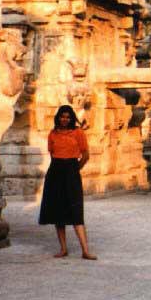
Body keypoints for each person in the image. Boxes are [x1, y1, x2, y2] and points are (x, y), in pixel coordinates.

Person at [38, 104, 97, 259]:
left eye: (68, 117)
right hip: (55, 173)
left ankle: (85, 250)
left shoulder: (78, 133)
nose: (65, 119)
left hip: (71, 171)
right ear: (58, 117)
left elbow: (85, 155)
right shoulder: (52, 134)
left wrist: (75, 168)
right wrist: (59, 169)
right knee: (58, 212)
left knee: (76, 211)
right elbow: (53, 154)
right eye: (62, 116)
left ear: (71, 118)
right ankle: (63, 248)